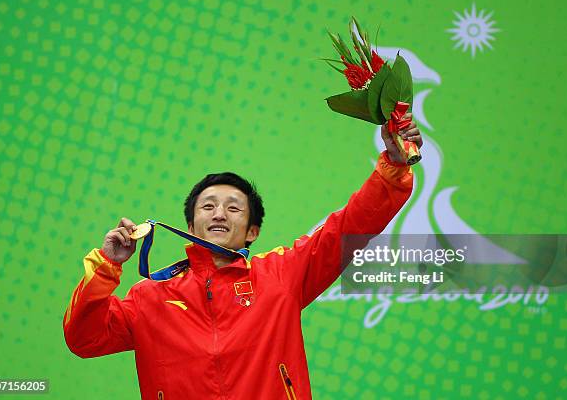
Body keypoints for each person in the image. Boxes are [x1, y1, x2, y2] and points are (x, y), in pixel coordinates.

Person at [63, 116, 422, 399]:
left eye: (234, 208)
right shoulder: (149, 298)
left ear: (252, 232)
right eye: (208, 206)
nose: (219, 214)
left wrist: (392, 163)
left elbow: (348, 226)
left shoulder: (281, 274)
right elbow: (84, 338)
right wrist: (108, 266)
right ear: (190, 224)